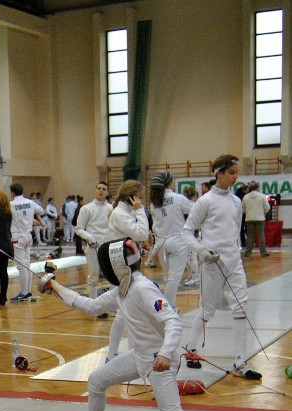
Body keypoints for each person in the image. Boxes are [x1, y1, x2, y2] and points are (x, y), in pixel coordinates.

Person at [39, 238, 264, 411]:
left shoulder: (141, 288)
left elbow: (173, 321)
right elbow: (91, 306)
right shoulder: (123, 288)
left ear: (116, 267)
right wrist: (55, 287)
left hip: (159, 362)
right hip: (140, 356)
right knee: (96, 380)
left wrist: (166, 354)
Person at [181, 154, 262, 380]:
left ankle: (240, 361)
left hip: (234, 262)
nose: (236, 177)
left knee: (241, 307)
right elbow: (186, 231)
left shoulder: (236, 201)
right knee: (207, 310)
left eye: (237, 172)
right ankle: (190, 349)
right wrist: (201, 251)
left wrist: (237, 254)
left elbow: (235, 233)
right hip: (212, 263)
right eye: (231, 172)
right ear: (219, 173)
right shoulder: (205, 201)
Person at [104, 180, 150, 361]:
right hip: (121, 268)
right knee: (123, 313)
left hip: (128, 264)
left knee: (129, 311)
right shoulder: (120, 214)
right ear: (131, 197)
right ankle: (112, 355)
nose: (141, 200)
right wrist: (140, 211)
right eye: (139, 196)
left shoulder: (124, 212)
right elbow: (141, 234)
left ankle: (123, 352)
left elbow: (138, 236)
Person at [146, 171, 193, 311]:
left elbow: (154, 226)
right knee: (174, 278)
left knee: (168, 278)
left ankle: (172, 306)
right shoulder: (178, 198)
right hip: (177, 240)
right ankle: (166, 309)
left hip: (161, 243)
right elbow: (196, 211)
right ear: (168, 183)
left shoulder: (154, 203)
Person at [74, 181, 113, 301]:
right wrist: (90, 238)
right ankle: (93, 304)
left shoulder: (111, 208)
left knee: (111, 276)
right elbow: (78, 229)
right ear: (96, 190)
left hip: (108, 246)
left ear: (107, 192)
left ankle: (112, 303)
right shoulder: (86, 208)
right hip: (93, 247)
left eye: (104, 189)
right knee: (93, 276)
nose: (101, 191)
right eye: (99, 188)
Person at [8, 183, 45, 301]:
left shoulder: (11, 205)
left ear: (12, 193)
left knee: (21, 265)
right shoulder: (30, 202)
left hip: (17, 237)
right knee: (27, 263)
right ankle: (28, 291)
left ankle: (24, 292)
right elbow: (41, 211)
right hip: (28, 235)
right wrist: (35, 217)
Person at [242, 180, 271, 258]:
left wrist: (248, 213)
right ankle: (263, 252)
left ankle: (247, 252)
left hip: (249, 218)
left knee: (250, 236)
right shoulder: (262, 196)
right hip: (260, 218)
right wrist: (262, 212)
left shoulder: (245, 197)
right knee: (261, 236)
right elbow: (267, 207)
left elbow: (243, 209)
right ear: (257, 188)